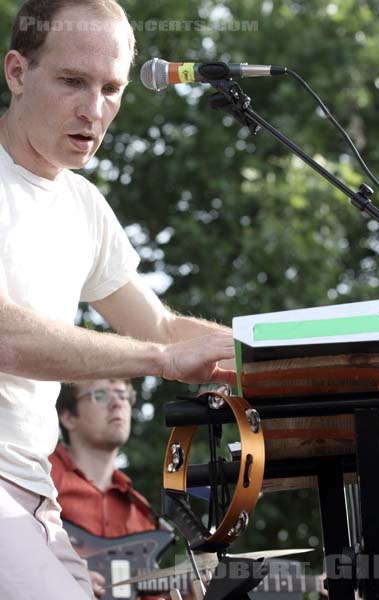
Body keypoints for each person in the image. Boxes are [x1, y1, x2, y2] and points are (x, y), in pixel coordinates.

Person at [0, 1, 235, 599]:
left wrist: (265, 355)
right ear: (17, 71)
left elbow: (157, 324)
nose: (94, 110)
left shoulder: (83, 206)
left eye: (111, 88)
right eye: (73, 82)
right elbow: (6, 336)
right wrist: (159, 362)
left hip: (33, 487)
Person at [51, 378, 166, 599]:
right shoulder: (37, 476)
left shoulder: (140, 512)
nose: (117, 403)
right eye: (101, 395)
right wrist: (55, 570)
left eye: (123, 395)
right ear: (68, 417)